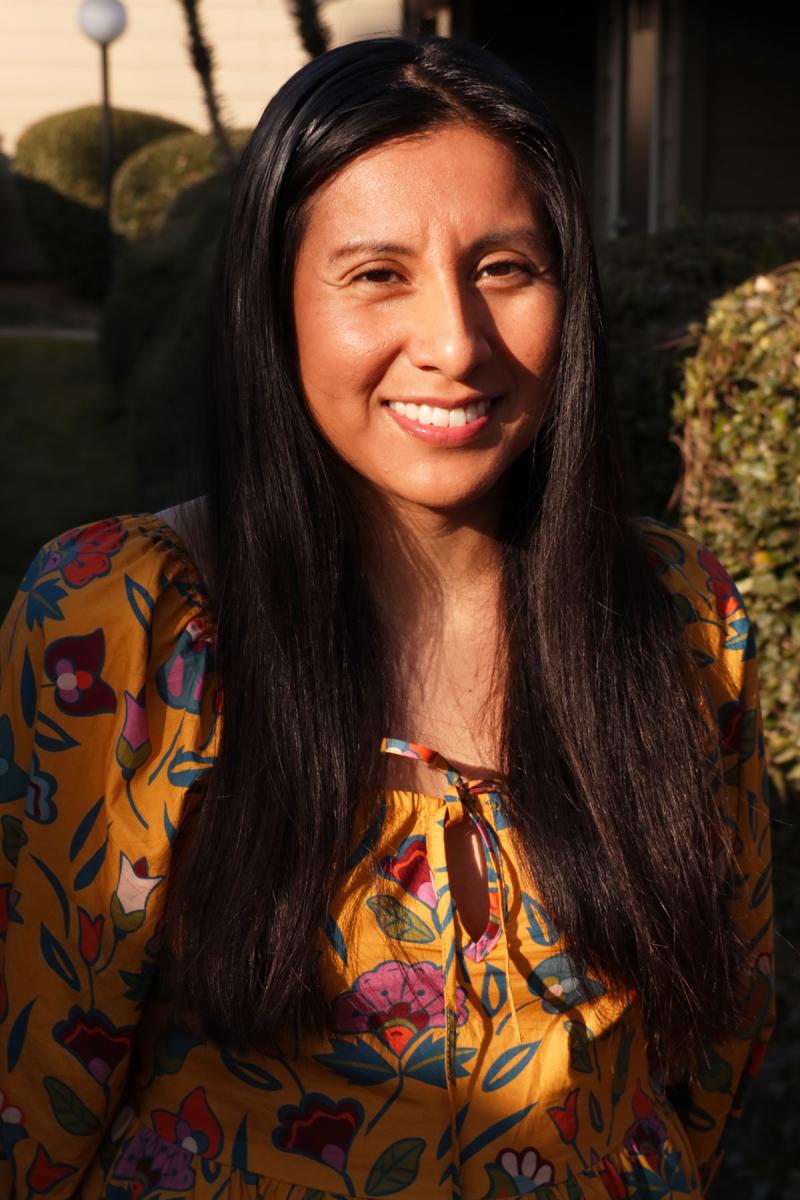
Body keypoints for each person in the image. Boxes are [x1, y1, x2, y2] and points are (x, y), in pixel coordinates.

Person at [0, 35, 774, 1200]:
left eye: (505, 266)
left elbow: (710, 1043)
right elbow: (33, 1107)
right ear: (274, 306)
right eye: (375, 274)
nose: (455, 344)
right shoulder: (124, 627)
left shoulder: (677, 622)